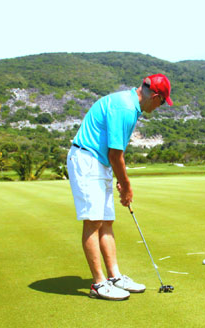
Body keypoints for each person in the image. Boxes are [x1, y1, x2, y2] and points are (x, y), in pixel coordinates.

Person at [67, 74, 173, 301]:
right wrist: (126, 186)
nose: (160, 106)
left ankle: (114, 277)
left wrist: (119, 176)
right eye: (162, 102)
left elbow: (114, 155)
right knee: (94, 221)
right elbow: (116, 154)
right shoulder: (125, 108)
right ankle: (98, 283)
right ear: (155, 96)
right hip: (87, 160)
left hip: (99, 161)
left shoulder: (129, 105)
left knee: (106, 220)